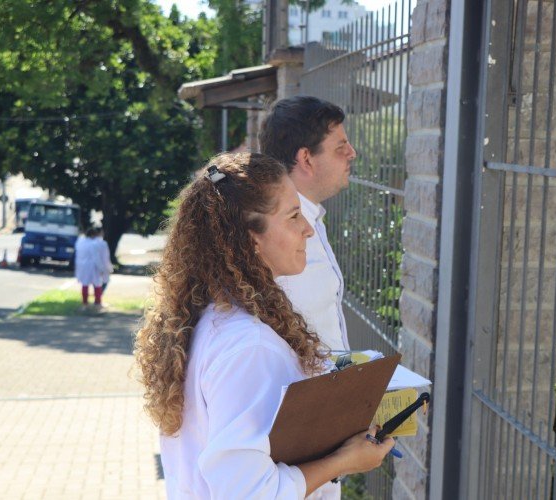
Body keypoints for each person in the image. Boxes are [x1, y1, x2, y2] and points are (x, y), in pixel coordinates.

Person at [134, 153, 393, 499]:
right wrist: (344, 461)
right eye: (293, 216)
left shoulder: (212, 317)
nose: (308, 229)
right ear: (250, 239)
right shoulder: (248, 346)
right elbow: (249, 492)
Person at [259, 96, 355, 353]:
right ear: (306, 159)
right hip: (309, 390)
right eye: (340, 147)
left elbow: (325, 337)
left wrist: (352, 375)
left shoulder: (310, 217)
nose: (352, 153)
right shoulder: (277, 237)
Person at [74, 226, 112, 310]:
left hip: (82, 266)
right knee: (97, 284)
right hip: (93, 266)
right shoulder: (95, 243)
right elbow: (97, 258)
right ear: (93, 235)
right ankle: (97, 303)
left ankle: (85, 303)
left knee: (85, 284)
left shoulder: (80, 242)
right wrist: (103, 268)